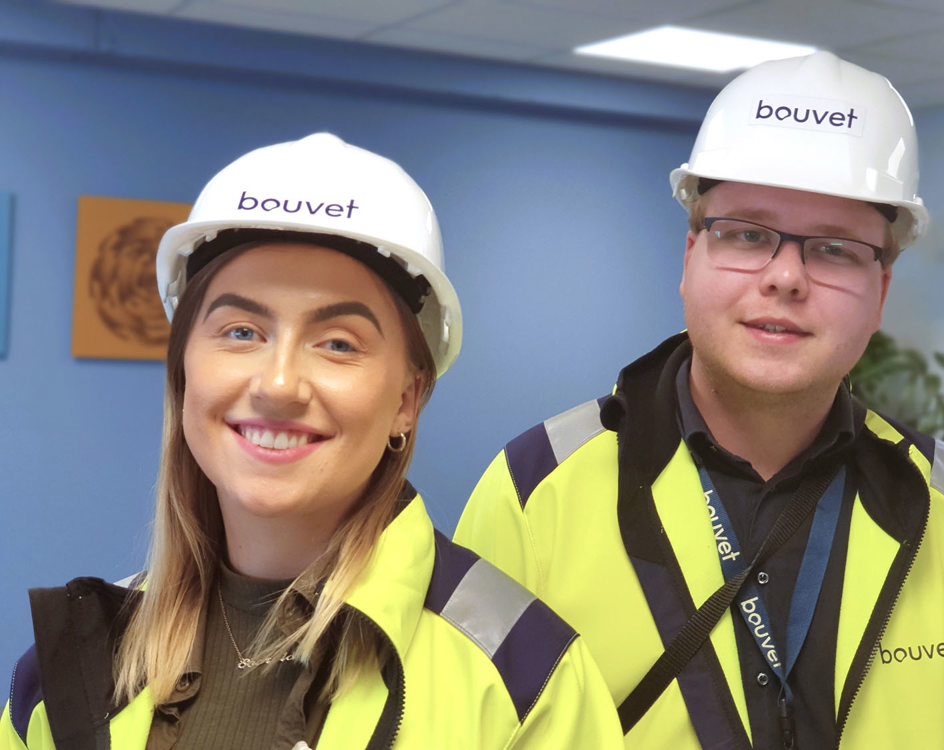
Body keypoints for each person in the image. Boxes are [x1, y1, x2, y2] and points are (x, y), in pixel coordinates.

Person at [0, 133, 622, 750]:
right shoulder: (71, 670)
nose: (278, 384)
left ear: (406, 399)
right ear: (184, 371)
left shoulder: (524, 680)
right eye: (241, 331)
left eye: (338, 344)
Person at [454, 51, 944, 749]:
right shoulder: (536, 489)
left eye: (834, 249)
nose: (785, 278)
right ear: (689, 259)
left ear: (881, 294)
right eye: (746, 234)